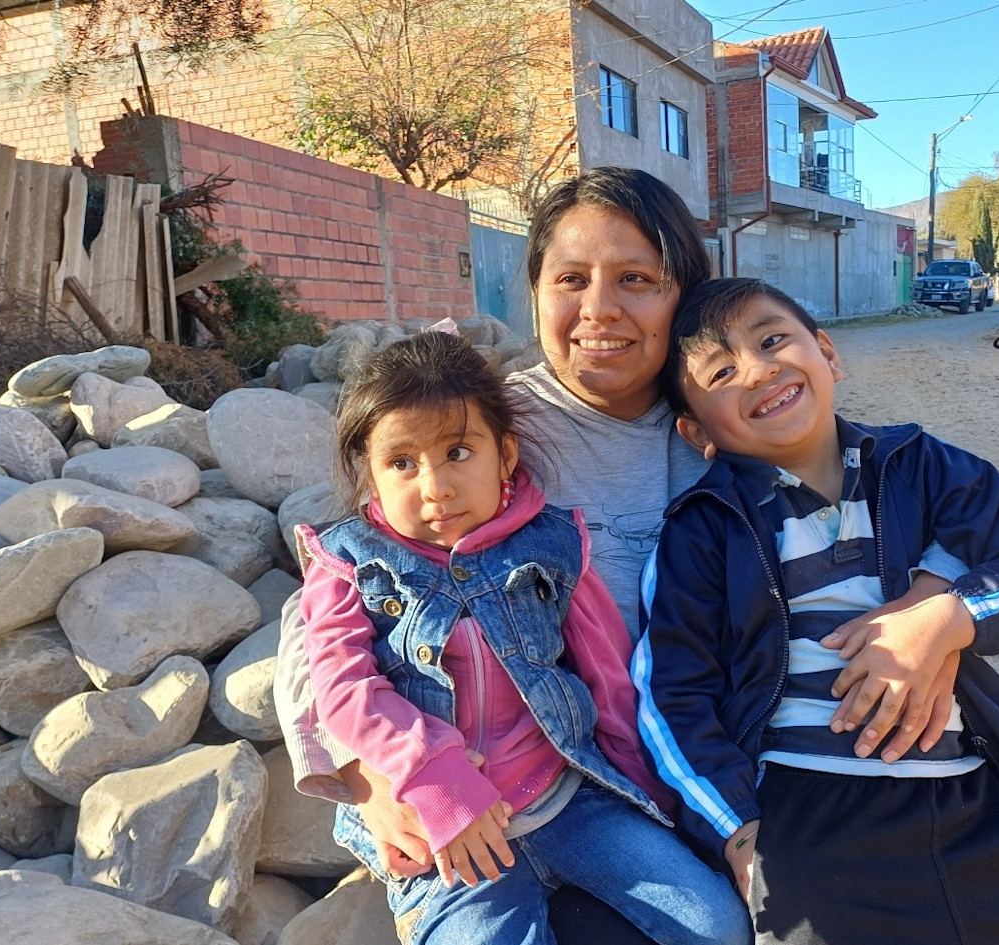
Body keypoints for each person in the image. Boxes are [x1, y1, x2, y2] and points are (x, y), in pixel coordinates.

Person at [273, 168, 958, 943]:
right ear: (536, 291)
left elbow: (901, 516)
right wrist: (368, 772)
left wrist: (937, 607)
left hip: (704, 786)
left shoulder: (735, 416)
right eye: (571, 279)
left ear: (684, 295)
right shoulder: (481, 433)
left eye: (636, 279)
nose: (599, 308)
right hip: (522, 795)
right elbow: (331, 599)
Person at [633, 277, 999, 945]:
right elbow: (671, 693)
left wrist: (946, 617)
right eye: (722, 372)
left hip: (971, 790)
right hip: (810, 808)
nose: (760, 370)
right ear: (697, 433)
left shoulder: (923, 465)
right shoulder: (703, 528)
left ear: (827, 353)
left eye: (772, 340)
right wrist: (735, 830)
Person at [296, 331, 750, 945]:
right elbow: (342, 687)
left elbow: (608, 676)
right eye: (401, 463)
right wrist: (431, 773)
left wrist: (647, 796)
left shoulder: (551, 544)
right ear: (370, 472)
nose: (435, 487)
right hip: (444, 829)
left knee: (718, 924)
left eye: (458, 452)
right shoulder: (348, 563)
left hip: (569, 801)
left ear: (506, 453)